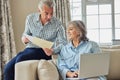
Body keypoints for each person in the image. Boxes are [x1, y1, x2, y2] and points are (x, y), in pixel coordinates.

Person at [4, 0, 67, 80]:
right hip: (30, 49)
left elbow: (64, 43)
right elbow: (25, 34)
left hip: (45, 52)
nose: (49, 17)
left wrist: (53, 50)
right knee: (8, 68)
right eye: (46, 13)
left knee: (20, 59)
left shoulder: (58, 24)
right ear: (39, 11)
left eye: (51, 13)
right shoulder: (30, 18)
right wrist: (24, 39)